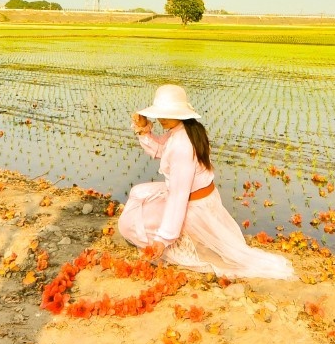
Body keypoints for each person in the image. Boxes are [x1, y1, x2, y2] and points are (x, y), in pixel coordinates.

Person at [117, 84, 296, 280]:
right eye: (160, 113)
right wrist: (144, 130)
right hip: (202, 199)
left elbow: (179, 196)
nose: (161, 118)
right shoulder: (187, 130)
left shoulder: (182, 144)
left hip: (192, 207)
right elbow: (162, 151)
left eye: (166, 114)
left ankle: (183, 237)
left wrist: (164, 238)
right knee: (139, 192)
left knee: (128, 224)